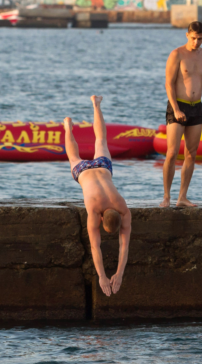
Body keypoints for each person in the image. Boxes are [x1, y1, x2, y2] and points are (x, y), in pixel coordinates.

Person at [63, 95, 131, 297]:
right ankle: (69, 127)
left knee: (101, 140)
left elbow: (100, 247)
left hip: (102, 168)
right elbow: (102, 246)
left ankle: (93, 106)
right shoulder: (96, 210)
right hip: (83, 173)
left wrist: (114, 274)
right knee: (73, 157)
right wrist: (107, 275)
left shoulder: (122, 206)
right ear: (102, 219)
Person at [162, 21, 202, 207]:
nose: (196, 42)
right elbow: (169, 83)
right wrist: (176, 109)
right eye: (194, 38)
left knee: (191, 154)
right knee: (171, 153)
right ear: (187, 35)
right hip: (177, 105)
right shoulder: (177, 54)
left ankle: (182, 197)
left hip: (197, 107)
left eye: (200, 39)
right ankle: (166, 197)